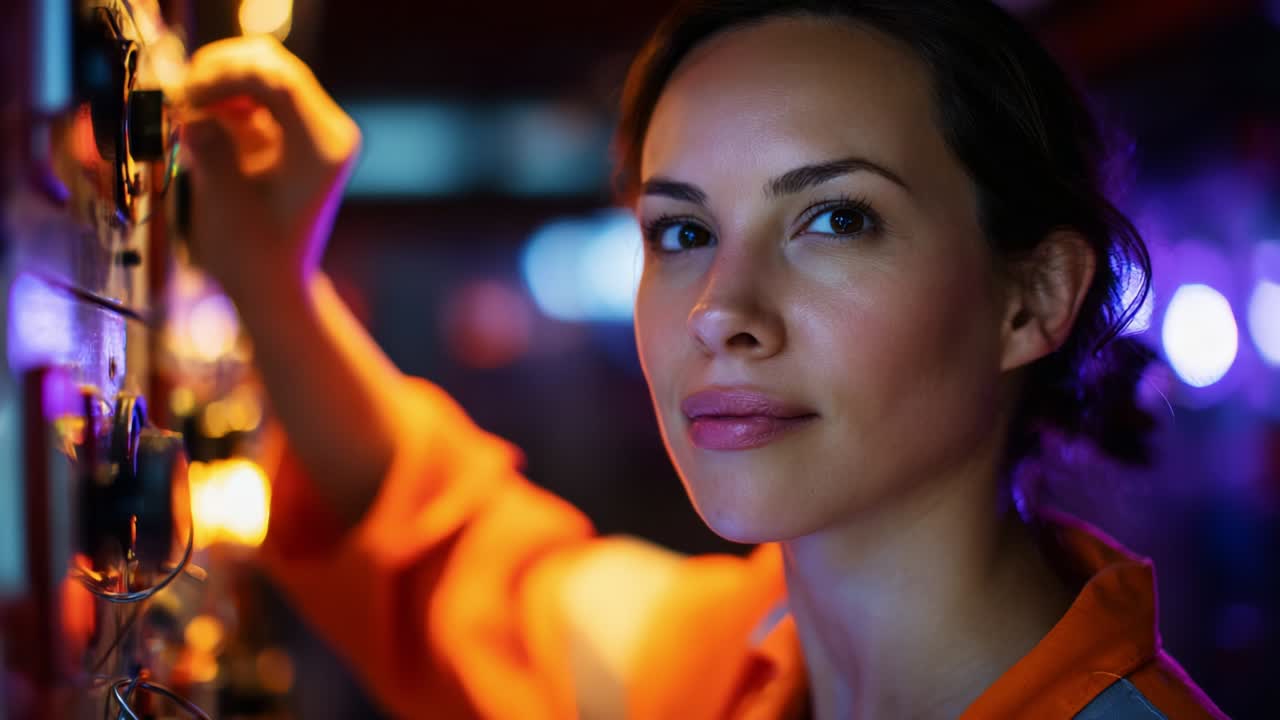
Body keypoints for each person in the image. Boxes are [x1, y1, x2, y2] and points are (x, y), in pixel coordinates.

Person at [177, 1, 1227, 717]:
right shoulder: (733, 666)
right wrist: (270, 278)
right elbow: (447, 555)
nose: (720, 311)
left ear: (1033, 297)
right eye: (681, 232)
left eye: (835, 218)